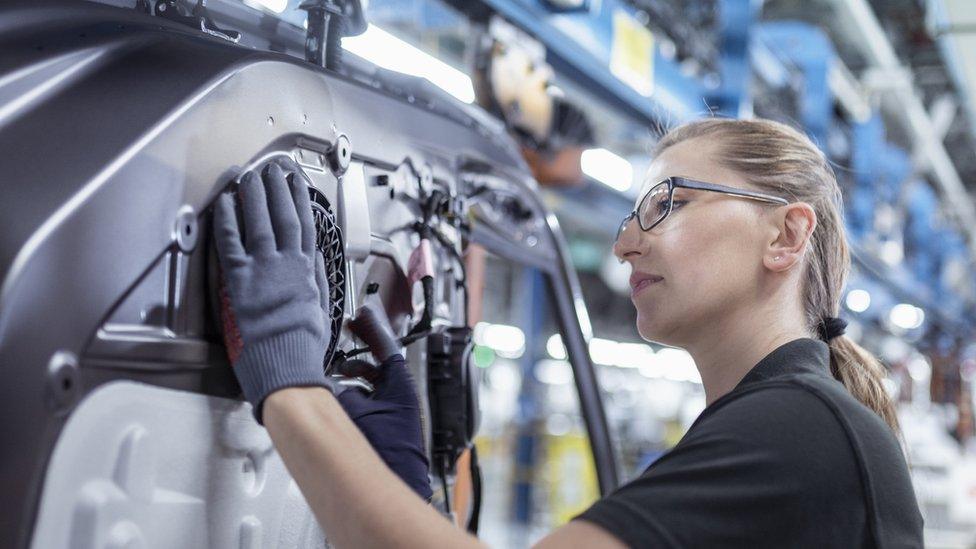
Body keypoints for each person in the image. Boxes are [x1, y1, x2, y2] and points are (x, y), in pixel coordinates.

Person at [213, 118, 923, 548]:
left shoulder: (800, 429)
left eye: (664, 204)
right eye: (629, 217)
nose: (624, 246)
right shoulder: (780, 426)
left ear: (785, 234)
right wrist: (413, 499)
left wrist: (288, 378)